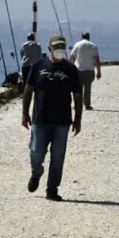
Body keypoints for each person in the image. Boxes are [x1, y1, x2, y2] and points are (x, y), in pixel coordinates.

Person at [22, 34, 82, 201]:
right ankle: (36, 173)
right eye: (56, 48)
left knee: (58, 158)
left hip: (62, 122)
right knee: (36, 153)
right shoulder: (38, 66)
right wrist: (24, 114)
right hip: (40, 120)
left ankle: (52, 189)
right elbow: (28, 91)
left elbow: (78, 95)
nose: (59, 51)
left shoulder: (71, 69)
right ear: (49, 49)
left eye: (62, 47)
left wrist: (78, 118)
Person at [69, 32, 101, 110]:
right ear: (89, 37)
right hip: (89, 70)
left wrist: (69, 69)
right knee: (87, 88)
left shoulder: (77, 44)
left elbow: (72, 57)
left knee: (78, 88)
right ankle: (87, 105)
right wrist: (99, 71)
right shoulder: (93, 46)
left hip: (78, 69)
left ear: (81, 37)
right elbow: (96, 60)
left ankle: (77, 104)